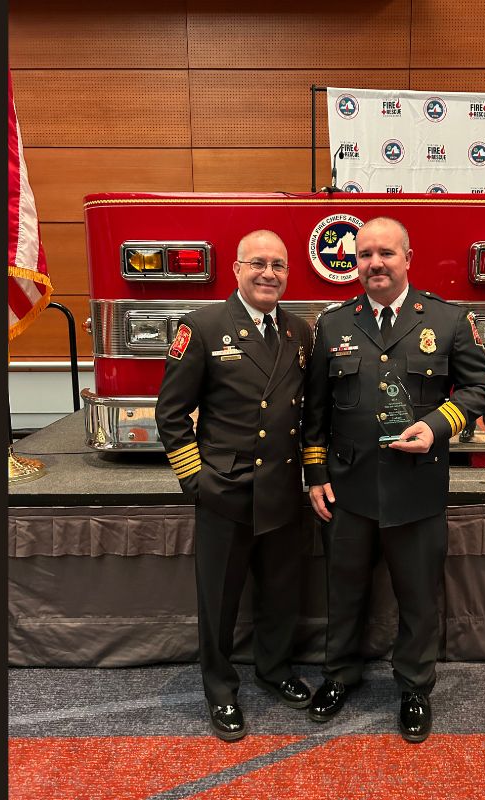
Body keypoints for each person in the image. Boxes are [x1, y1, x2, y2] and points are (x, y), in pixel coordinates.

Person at [301, 216, 485, 743]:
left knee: (417, 597)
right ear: (355, 264)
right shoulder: (333, 324)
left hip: (417, 488)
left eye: (385, 253)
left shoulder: (449, 319)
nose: (374, 264)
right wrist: (315, 473)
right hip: (348, 489)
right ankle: (339, 676)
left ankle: (414, 687)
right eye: (364, 255)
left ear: (408, 257)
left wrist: (438, 426)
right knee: (343, 593)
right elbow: (314, 412)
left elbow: (480, 389)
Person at [156, 229, 315, 742]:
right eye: (258, 264)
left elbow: (307, 412)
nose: (269, 274)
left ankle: (273, 670)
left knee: (281, 594)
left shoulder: (299, 331)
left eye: (279, 266)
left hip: (284, 488)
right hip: (225, 490)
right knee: (219, 600)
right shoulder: (201, 326)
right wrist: (195, 480)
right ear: (237, 270)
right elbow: (172, 413)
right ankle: (220, 690)